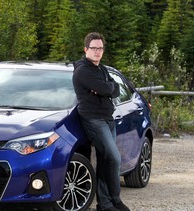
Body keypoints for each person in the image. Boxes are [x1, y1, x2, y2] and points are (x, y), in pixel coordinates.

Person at [72, 32, 130, 211]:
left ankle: (109, 203)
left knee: (106, 160)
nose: (97, 52)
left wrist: (107, 88)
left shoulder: (102, 69)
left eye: (100, 48)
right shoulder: (83, 70)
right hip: (93, 119)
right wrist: (105, 88)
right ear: (86, 49)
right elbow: (104, 87)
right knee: (113, 157)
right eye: (94, 48)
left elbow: (115, 89)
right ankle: (111, 201)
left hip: (107, 118)